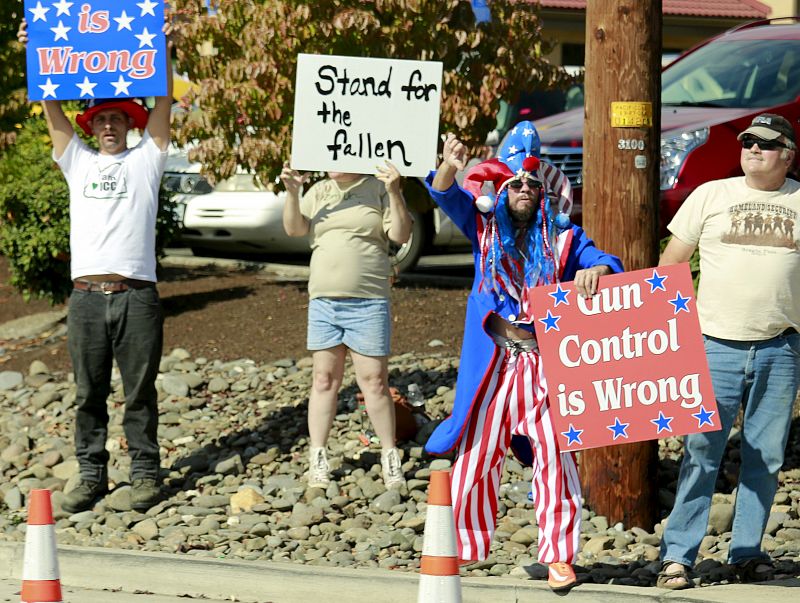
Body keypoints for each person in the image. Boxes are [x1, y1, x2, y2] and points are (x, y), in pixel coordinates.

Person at [424, 122, 623, 592]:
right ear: (501, 189)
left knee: (555, 456)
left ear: (544, 192)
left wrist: (596, 270)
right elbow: (445, 195)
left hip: (543, 364)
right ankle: (459, 547)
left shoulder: (563, 238)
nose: (525, 190)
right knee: (476, 454)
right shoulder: (483, 228)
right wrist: (450, 166)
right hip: (494, 361)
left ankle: (559, 556)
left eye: (532, 184)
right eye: (515, 184)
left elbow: (607, 262)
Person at [18, 20, 173, 513]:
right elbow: (52, 109)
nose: (108, 126)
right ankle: (91, 476)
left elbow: (164, 105)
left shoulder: (146, 160)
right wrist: (37, 52)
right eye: (101, 119)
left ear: (130, 126)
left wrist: (164, 50)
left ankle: (145, 473)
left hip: (136, 296)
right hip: (86, 298)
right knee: (88, 393)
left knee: (139, 392)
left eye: (117, 119)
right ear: (91, 128)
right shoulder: (78, 162)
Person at [657, 113, 800, 589]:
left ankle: (747, 553)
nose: (754, 148)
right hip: (713, 344)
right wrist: (668, 338)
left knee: (767, 457)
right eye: (748, 141)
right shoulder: (710, 194)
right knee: (700, 452)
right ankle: (678, 556)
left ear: (788, 155)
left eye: (766, 143)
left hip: (782, 347)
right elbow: (671, 263)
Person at [280, 161, 413, 489]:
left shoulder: (378, 188)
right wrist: (293, 193)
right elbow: (294, 229)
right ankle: (318, 457)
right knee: (324, 379)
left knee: (374, 381)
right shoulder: (319, 191)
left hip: (368, 302)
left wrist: (395, 191)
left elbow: (400, 234)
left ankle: (389, 455)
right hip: (324, 303)